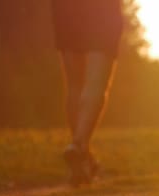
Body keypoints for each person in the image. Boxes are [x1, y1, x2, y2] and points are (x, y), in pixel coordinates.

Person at [51, 0, 123, 186]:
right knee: (96, 83)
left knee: (74, 86)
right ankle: (79, 145)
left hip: (66, 8)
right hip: (102, 9)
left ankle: (82, 161)